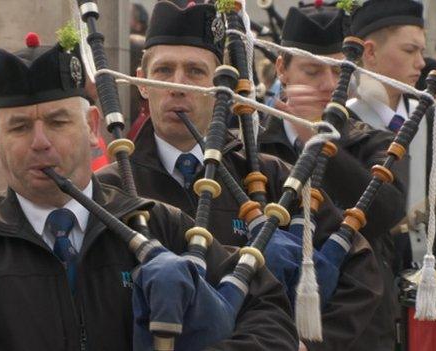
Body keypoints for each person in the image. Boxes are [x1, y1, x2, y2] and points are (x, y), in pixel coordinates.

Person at [0, 31, 300, 351]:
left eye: (58, 121)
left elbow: (269, 314)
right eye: (19, 127)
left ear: (94, 128)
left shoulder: (160, 225)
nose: (40, 142)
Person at [97, 2, 383, 350]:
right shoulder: (112, 189)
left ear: (222, 86)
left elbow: (360, 269)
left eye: (195, 72)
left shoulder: (268, 174)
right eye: (163, 71)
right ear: (142, 80)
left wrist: (312, 343)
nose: (178, 86)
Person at [257, 4, 406, 350]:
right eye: (312, 71)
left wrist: (321, 144)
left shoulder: (372, 141)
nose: (328, 85)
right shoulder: (252, 146)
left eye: (338, 72)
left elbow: (386, 211)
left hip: (361, 329)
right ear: (282, 69)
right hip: (273, 329)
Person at [347, 0, 436, 268]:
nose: (421, 62)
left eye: (421, 51)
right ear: (370, 52)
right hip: (370, 295)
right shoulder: (343, 126)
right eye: (409, 50)